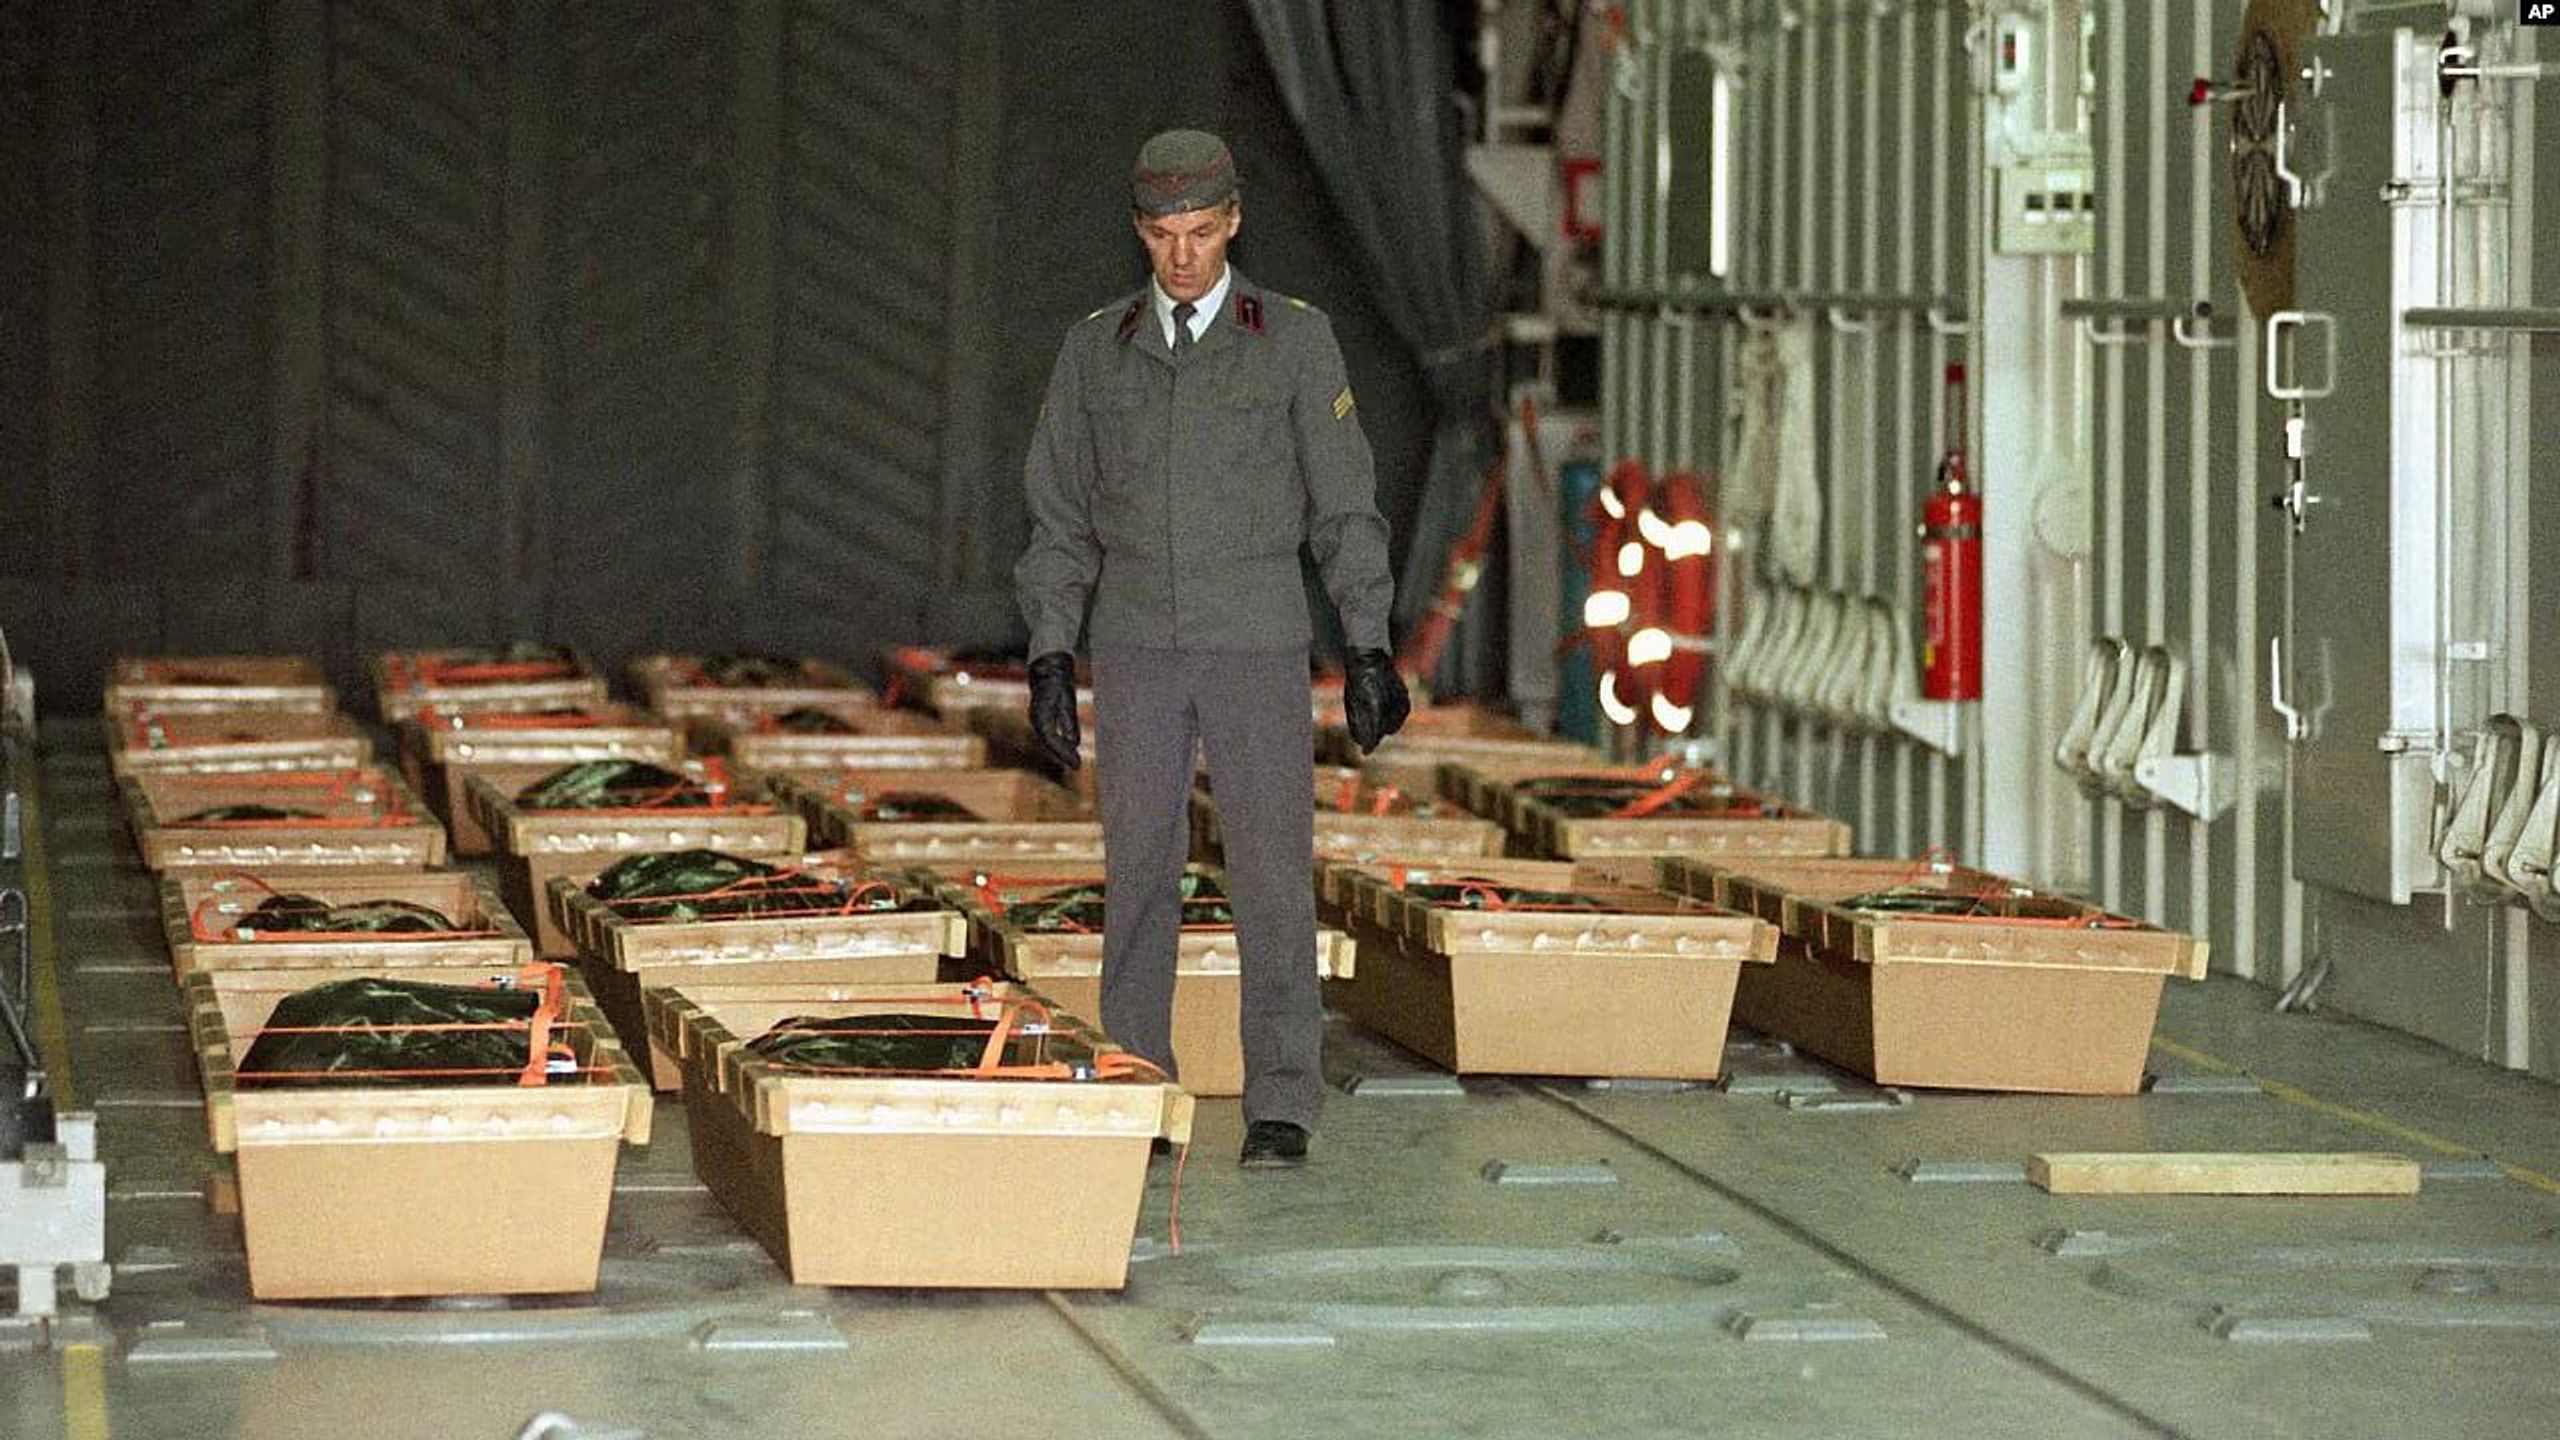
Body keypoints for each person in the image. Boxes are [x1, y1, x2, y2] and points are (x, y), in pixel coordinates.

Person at [1015, 129, 1410, 1168]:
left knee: (1273, 874)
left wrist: (1369, 644)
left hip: (1254, 645)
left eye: (1198, 233)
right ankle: (1139, 1082)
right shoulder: (1095, 350)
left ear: (1233, 220)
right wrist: (1050, 654)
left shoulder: (1291, 340)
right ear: (1138, 233)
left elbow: (1345, 507)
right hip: (1138, 646)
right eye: (1159, 236)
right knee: (1137, 873)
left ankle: (1280, 1098)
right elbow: (1057, 519)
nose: (1180, 257)